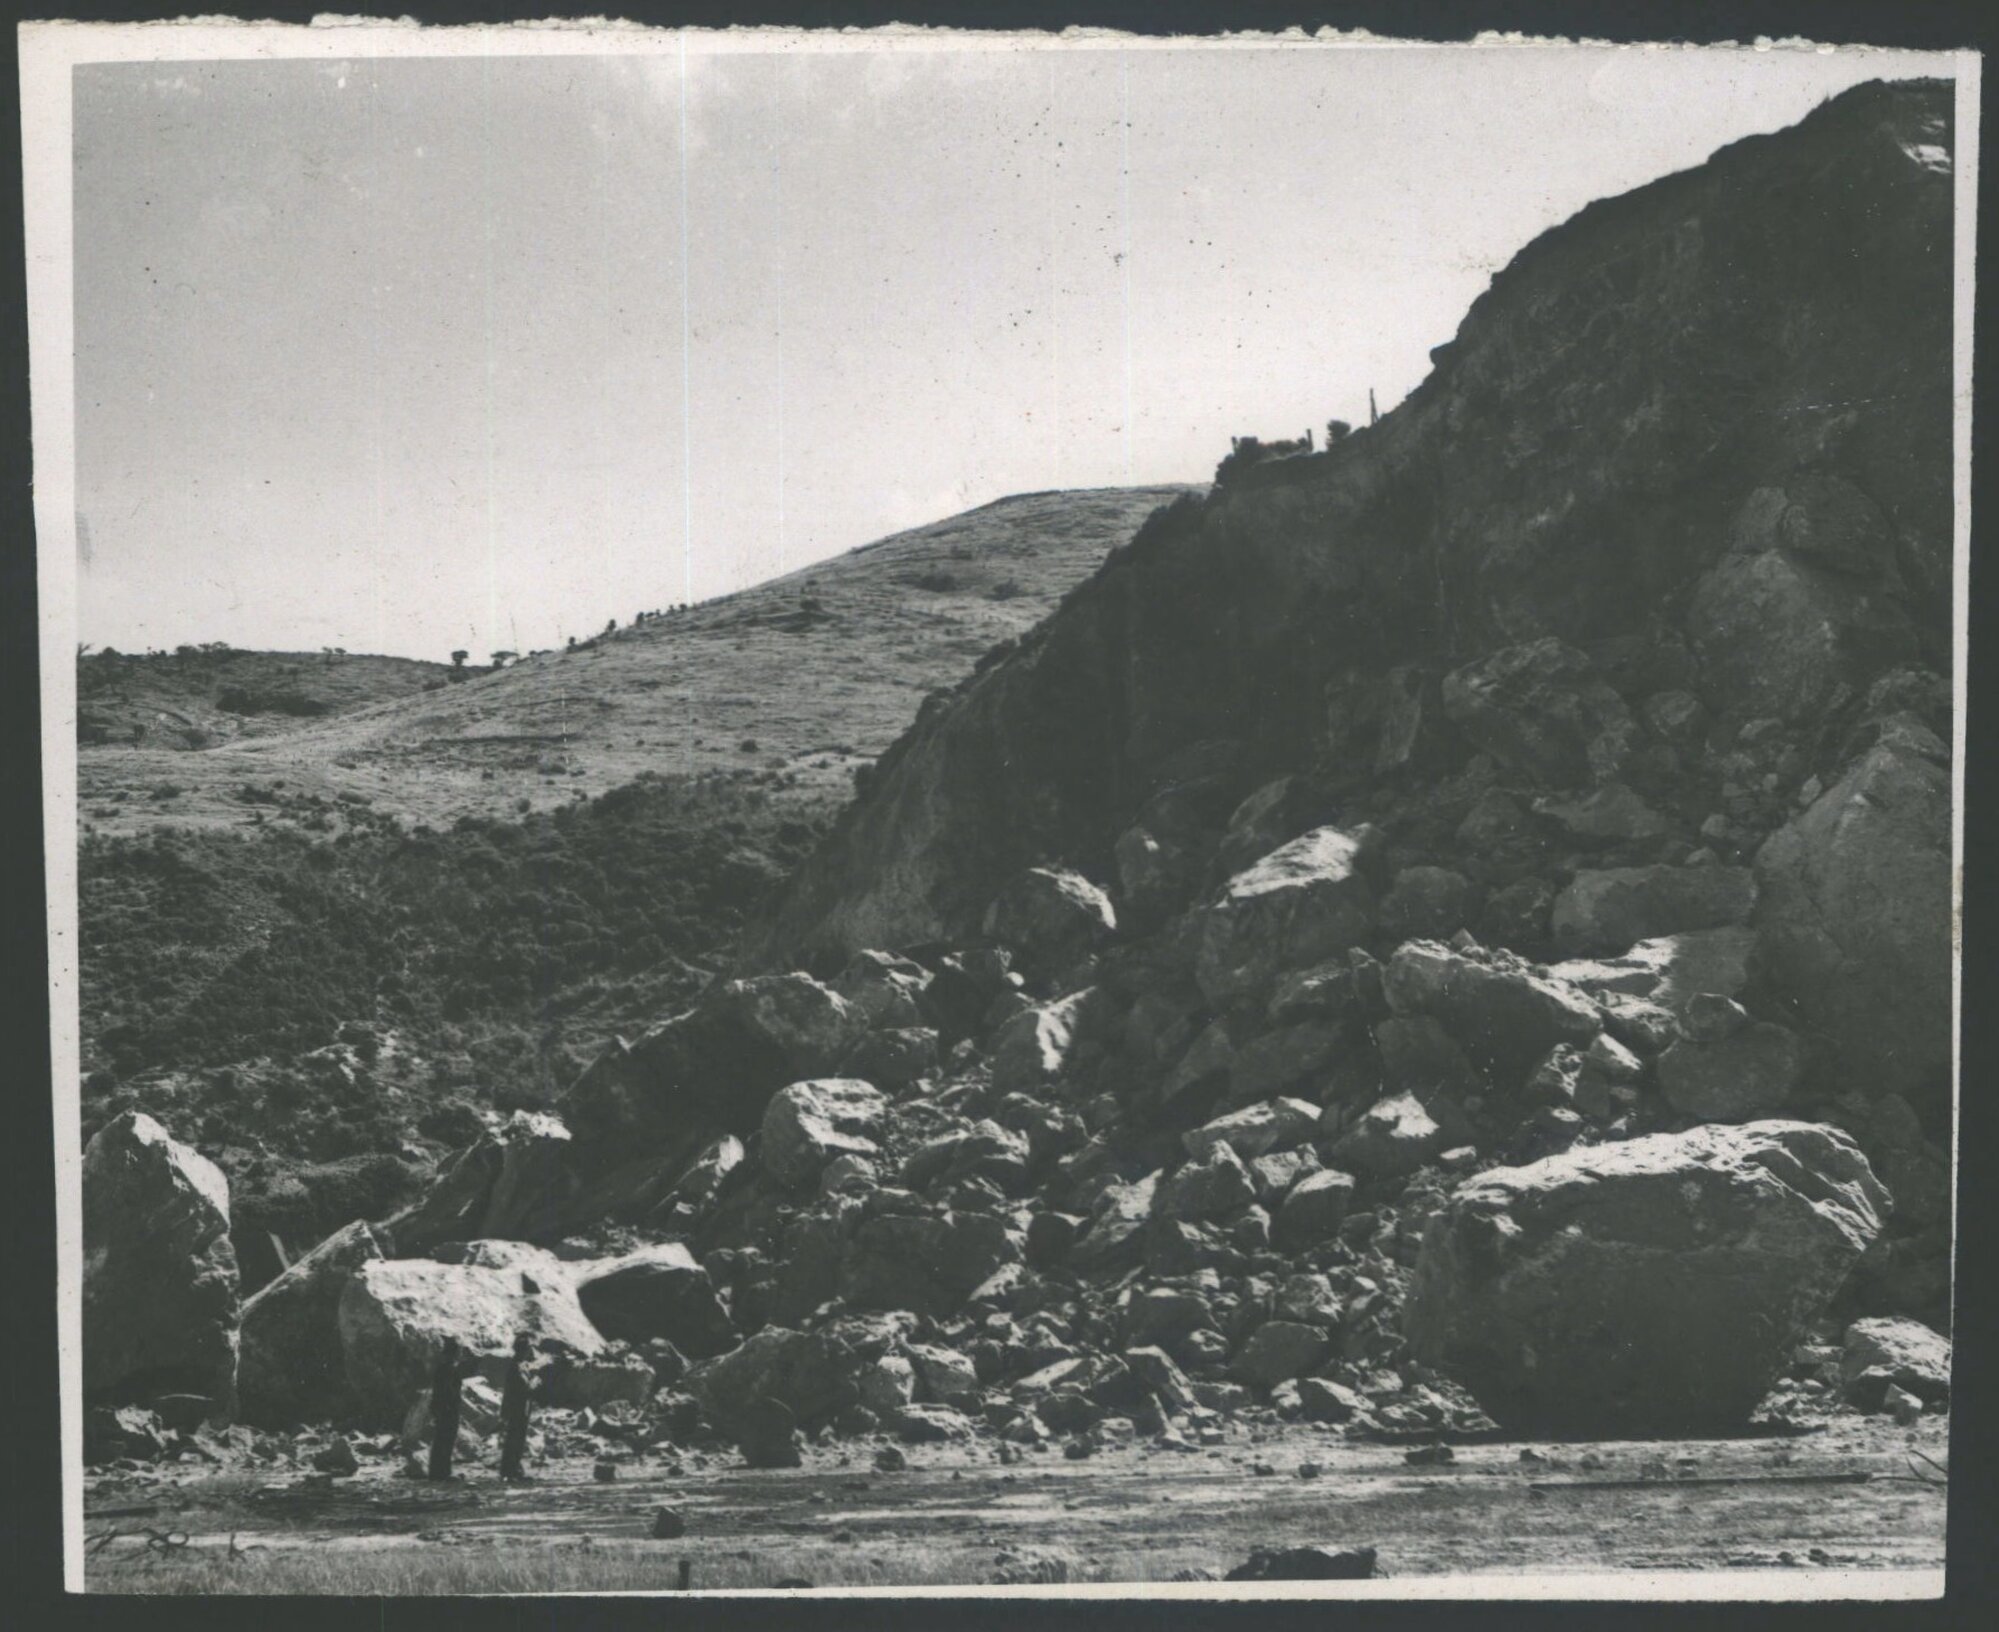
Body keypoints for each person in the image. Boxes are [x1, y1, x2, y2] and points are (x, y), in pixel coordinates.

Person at [426, 1337, 477, 1481]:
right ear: (454, 1354)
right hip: (448, 1409)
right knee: (445, 1440)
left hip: (443, 1408)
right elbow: (449, 1391)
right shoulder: (449, 1369)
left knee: (441, 1440)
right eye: (458, 1352)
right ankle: (442, 1473)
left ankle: (437, 1472)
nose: (460, 1355)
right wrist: (451, 1406)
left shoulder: (443, 1368)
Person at [498, 1334, 535, 1483]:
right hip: (516, 1409)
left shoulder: (521, 1365)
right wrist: (534, 1384)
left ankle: (514, 1470)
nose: (530, 1351)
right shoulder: (516, 1367)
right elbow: (521, 1388)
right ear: (523, 1349)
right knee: (514, 1440)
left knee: (518, 1440)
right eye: (528, 1348)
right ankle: (509, 1471)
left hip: (522, 1408)